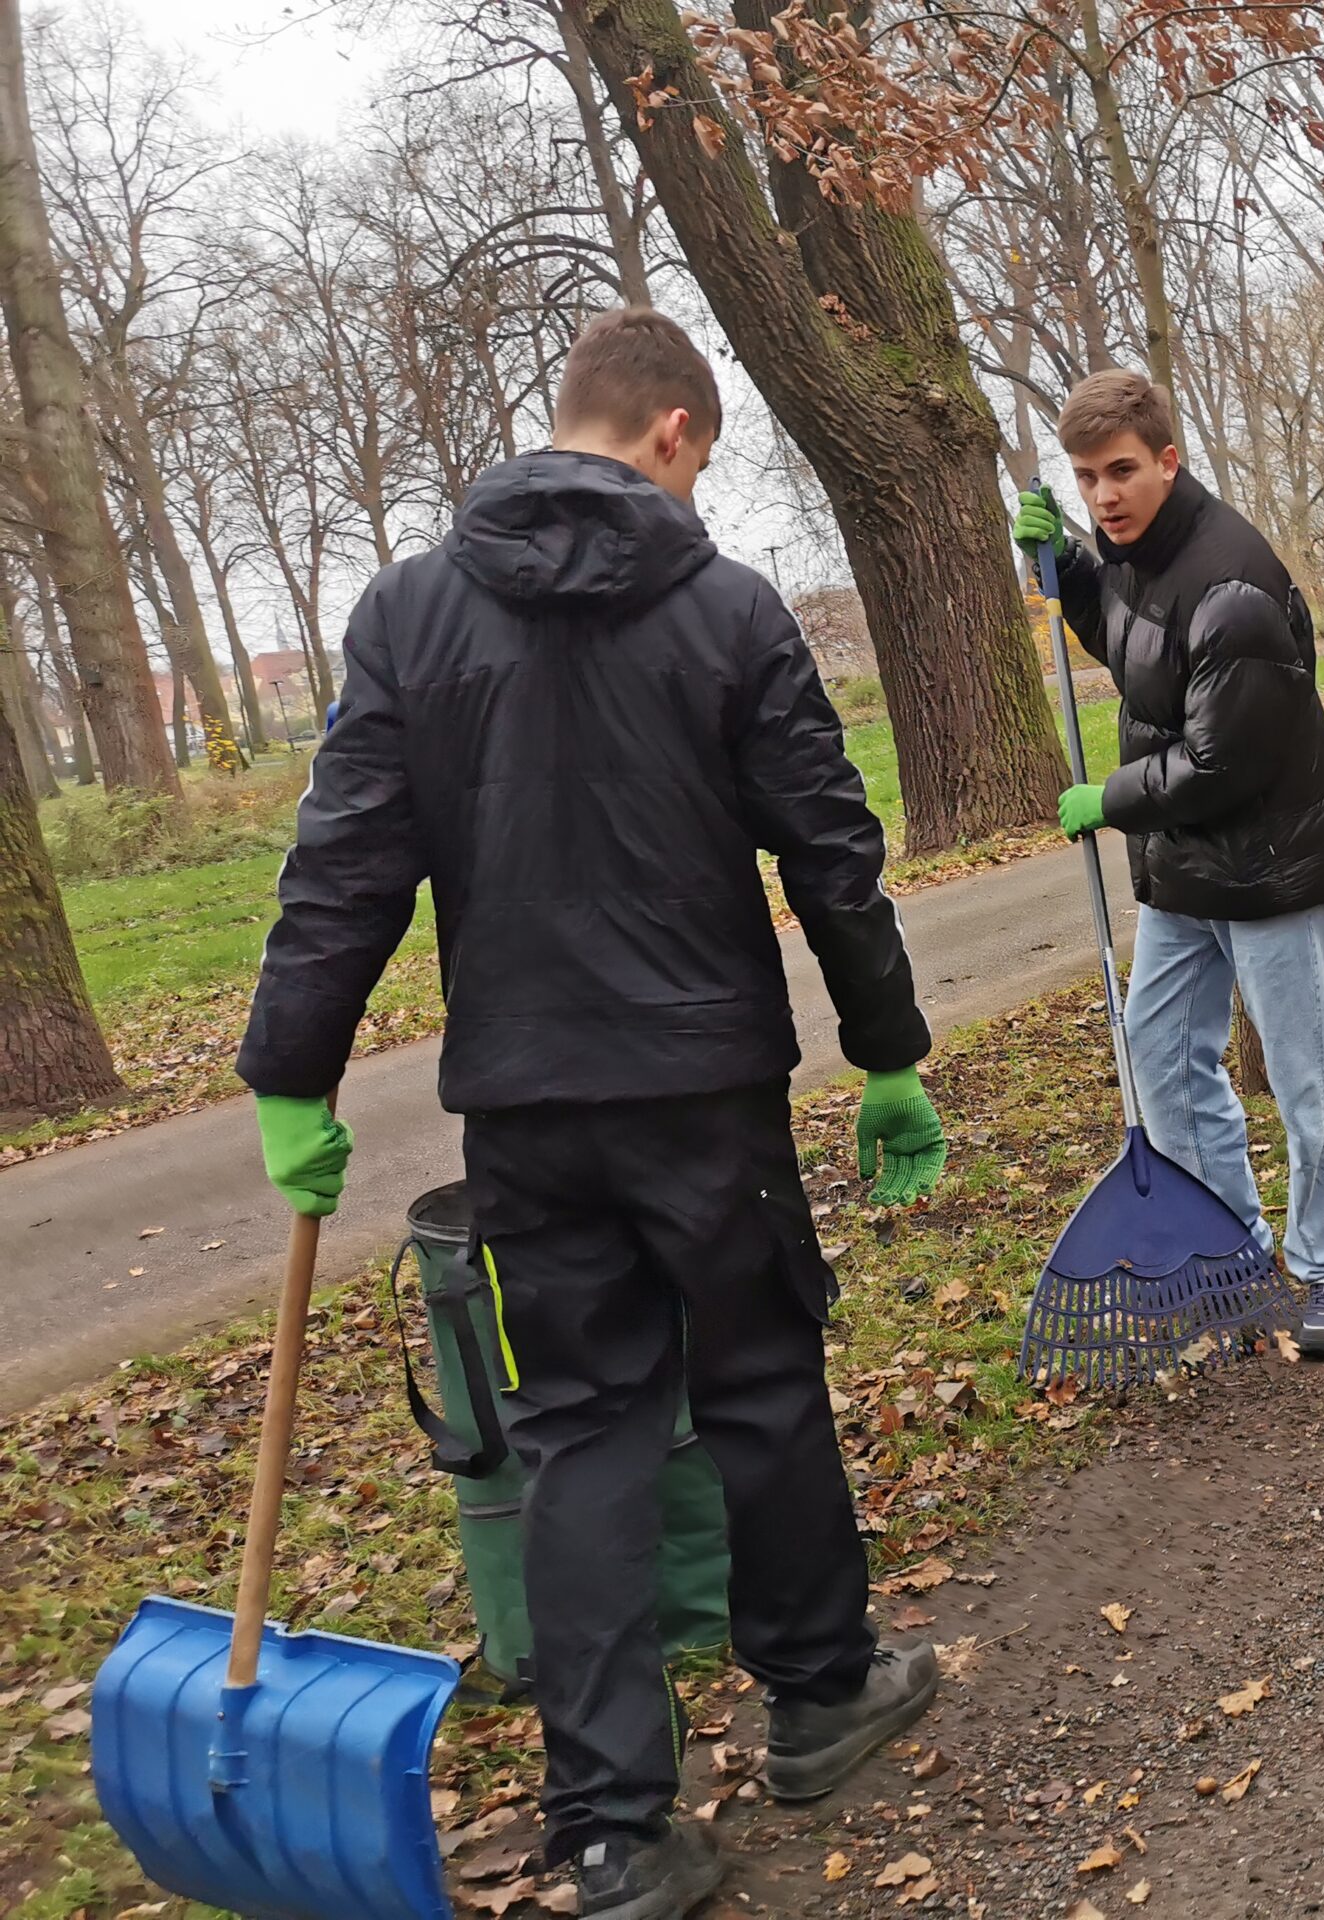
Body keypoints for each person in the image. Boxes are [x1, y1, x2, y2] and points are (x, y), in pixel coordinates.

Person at [236, 310, 947, 1920]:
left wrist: (295, 1070)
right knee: (759, 1378)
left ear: (565, 423)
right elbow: (828, 854)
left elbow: (344, 861)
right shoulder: (728, 611)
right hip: (703, 1091)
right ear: (677, 435)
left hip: (529, 1106)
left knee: (578, 1429)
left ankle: (615, 1829)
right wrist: (887, 1050)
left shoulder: (408, 615)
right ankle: (819, 1693)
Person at [1009, 371, 1324, 1356]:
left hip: (1265, 869)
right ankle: (1233, 1248)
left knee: (1305, 1077)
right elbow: (1134, 649)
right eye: (1086, 479)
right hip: (1183, 872)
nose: (1104, 496)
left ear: (1168, 460)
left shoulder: (1233, 584)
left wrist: (1108, 801)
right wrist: (1066, 570)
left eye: (1122, 471)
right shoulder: (1133, 553)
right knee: (1163, 1059)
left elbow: (1222, 761)